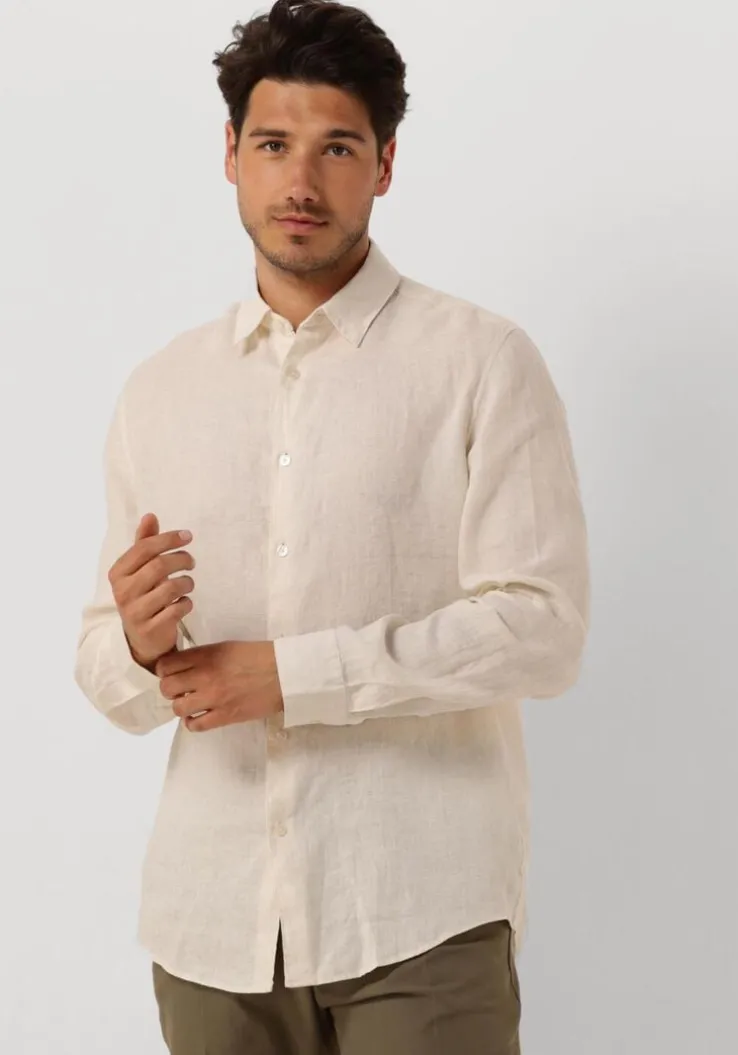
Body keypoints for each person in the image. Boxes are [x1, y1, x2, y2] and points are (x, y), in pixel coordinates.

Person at [73, 1, 590, 1051]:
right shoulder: (161, 390)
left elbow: (543, 629)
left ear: (385, 164)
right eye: (273, 145)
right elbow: (107, 672)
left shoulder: (481, 363)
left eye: (337, 148)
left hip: (418, 912)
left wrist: (295, 674)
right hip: (212, 924)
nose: (300, 182)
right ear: (230, 154)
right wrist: (132, 642)